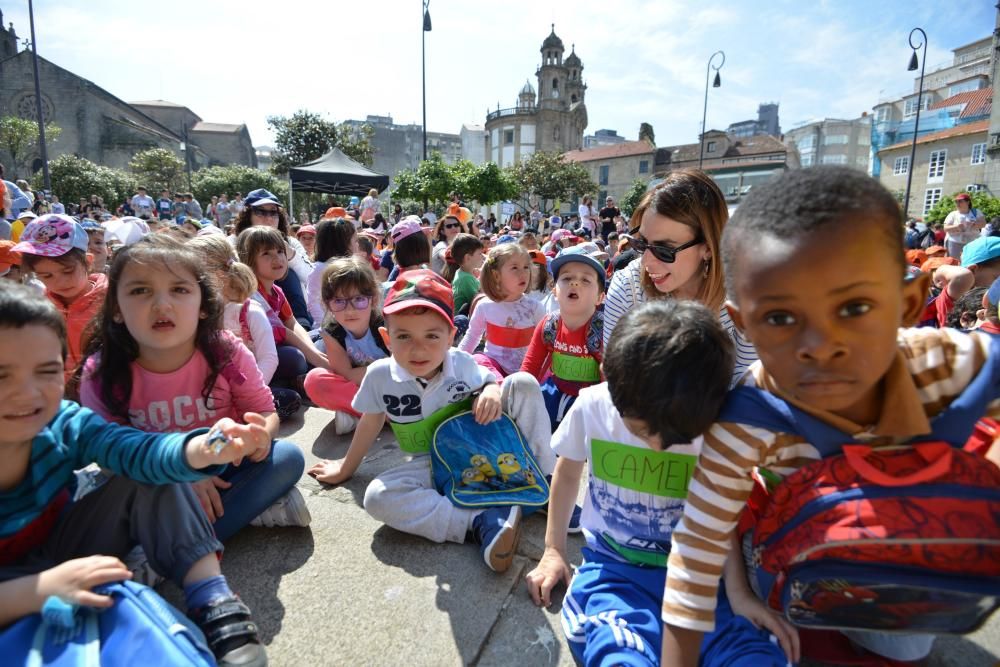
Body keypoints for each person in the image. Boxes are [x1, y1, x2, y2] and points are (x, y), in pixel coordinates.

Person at [659, 166, 990, 666]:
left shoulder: (941, 361)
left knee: (906, 642)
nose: (820, 346)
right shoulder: (748, 414)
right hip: (804, 557)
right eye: (781, 318)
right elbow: (697, 548)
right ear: (744, 323)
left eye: (854, 308)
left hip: (909, 563)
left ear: (907, 305)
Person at [0, 281, 270, 666]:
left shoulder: (62, 422)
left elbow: (135, 450)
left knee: (150, 474)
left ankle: (214, 599)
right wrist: (40, 589)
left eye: (46, 371)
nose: (27, 393)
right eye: (1, 375)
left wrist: (206, 447)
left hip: (66, 546)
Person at [524, 300, 777, 666]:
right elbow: (566, 474)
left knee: (749, 650)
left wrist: (738, 593)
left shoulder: (714, 424)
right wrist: (554, 550)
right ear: (611, 380)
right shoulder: (594, 405)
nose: (658, 445)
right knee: (613, 647)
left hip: (700, 575)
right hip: (615, 571)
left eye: (678, 434)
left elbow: (722, 513)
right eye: (644, 430)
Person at [307, 269, 556, 572]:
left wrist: (491, 389)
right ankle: (480, 521)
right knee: (377, 497)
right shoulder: (379, 375)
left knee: (524, 383)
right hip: (434, 465)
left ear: (452, 336)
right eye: (404, 336)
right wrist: (345, 468)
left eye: (432, 336)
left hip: (486, 449)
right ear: (386, 338)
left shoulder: (462, 362)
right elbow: (370, 422)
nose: (418, 348)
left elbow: (490, 381)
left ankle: (546, 483)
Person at [79, 235, 309, 541]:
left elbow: (264, 412)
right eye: (140, 291)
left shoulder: (225, 351)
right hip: (149, 475)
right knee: (90, 497)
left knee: (287, 457)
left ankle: (169, 548)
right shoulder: (103, 371)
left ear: (203, 304)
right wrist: (180, 474)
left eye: (179, 290)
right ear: (116, 308)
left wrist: (259, 437)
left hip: (222, 462)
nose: (162, 304)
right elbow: (110, 452)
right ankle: (241, 514)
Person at [603, 169, 756, 385]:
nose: (646, 262)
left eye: (664, 250)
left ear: (709, 247)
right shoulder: (627, 287)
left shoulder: (745, 295)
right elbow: (616, 381)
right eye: (641, 243)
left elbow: (748, 390)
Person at [12, 214, 108, 382]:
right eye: (47, 275)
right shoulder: (40, 307)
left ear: (88, 261)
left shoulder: (111, 301)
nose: (60, 281)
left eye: (68, 271)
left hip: (105, 391)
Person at [521, 245, 606, 431]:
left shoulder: (604, 330)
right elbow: (529, 368)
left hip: (591, 402)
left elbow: (609, 383)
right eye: (566, 278)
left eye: (585, 280)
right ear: (554, 290)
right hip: (554, 393)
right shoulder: (549, 325)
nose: (575, 283)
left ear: (600, 297)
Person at [303, 257, 389, 435]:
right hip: (362, 388)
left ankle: (360, 416)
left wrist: (389, 369)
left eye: (358, 299)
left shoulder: (385, 323)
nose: (350, 310)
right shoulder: (331, 331)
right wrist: (386, 367)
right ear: (327, 304)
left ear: (373, 300)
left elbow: (403, 367)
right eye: (339, 301)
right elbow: (345, 374)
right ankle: (387, 417)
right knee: (315, 381)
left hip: (395, 387)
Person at [237, 227, 327, 396]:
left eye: (280, 251)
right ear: (248, 260)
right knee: (296, 358)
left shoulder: (276, 290)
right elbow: (283, 332)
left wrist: (314, 352)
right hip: (259, 356)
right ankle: (281, 385)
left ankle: (293, 381)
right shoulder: (251, 292)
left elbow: (292, 323)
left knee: (324, 335)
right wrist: (318, 359)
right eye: (266, 254)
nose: (277, 258)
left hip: (277, 347)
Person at [458, 243, 545, 380]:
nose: (523, 273)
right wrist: (457, 360)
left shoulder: (534, 308)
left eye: (526, 267)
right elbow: (472, 337)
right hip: (494, 367)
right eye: (515, 268)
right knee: (478, 359)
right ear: (496, 275)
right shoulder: (484, 306)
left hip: (525, 370)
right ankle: (498, 387)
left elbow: (545, 343)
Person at [233, 188, 314, 328]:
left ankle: (303, 323)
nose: (269, 218)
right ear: (248, 215)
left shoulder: (291, 242)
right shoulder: (233, 243)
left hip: (291, 316)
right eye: (261, 212)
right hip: (253, 312)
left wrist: (290, 255)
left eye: (273, 212)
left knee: (289, 273)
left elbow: (311, 278)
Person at [306, 218, 357, 325]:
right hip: (328, 327)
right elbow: (313, 302)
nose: (357, 245)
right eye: (355, 240)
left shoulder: (354, 266)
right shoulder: (320, 269)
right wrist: (325, 326)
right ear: (344, 243)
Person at [443, 233, 485, 316]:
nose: (483, 256)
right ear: (468, 258)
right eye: (480, 253)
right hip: (464, 322)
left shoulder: (462, 272)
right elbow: (479, 301)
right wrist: (483, 278)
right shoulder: (465, 279)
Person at [943, 192, 985, 260]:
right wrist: (956, 227)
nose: (957, 203)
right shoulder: (953, 214)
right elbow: (945, 228)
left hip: (972, 242)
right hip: (955, 242)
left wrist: (974, 224)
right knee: (954, 262)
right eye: (956, 202)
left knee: (971, 261)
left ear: (968, 202)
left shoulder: (976, 212)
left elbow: (983, 223)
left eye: (960, 201)